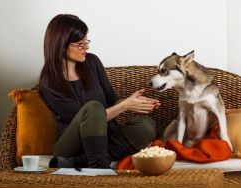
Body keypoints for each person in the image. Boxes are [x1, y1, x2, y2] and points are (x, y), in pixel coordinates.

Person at [38, 14, 160, 169]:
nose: (86, 47)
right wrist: (125, 106)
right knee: (93, 107)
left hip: (104, 139)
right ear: (61, 45)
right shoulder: (48, 82)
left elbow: (111, 100)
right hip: (71, 146)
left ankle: (81, 162)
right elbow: (89, 119)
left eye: (86, 41)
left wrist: (131, 102)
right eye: (80, 44)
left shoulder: (92, 62)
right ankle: (99, 168)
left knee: (146, 126)